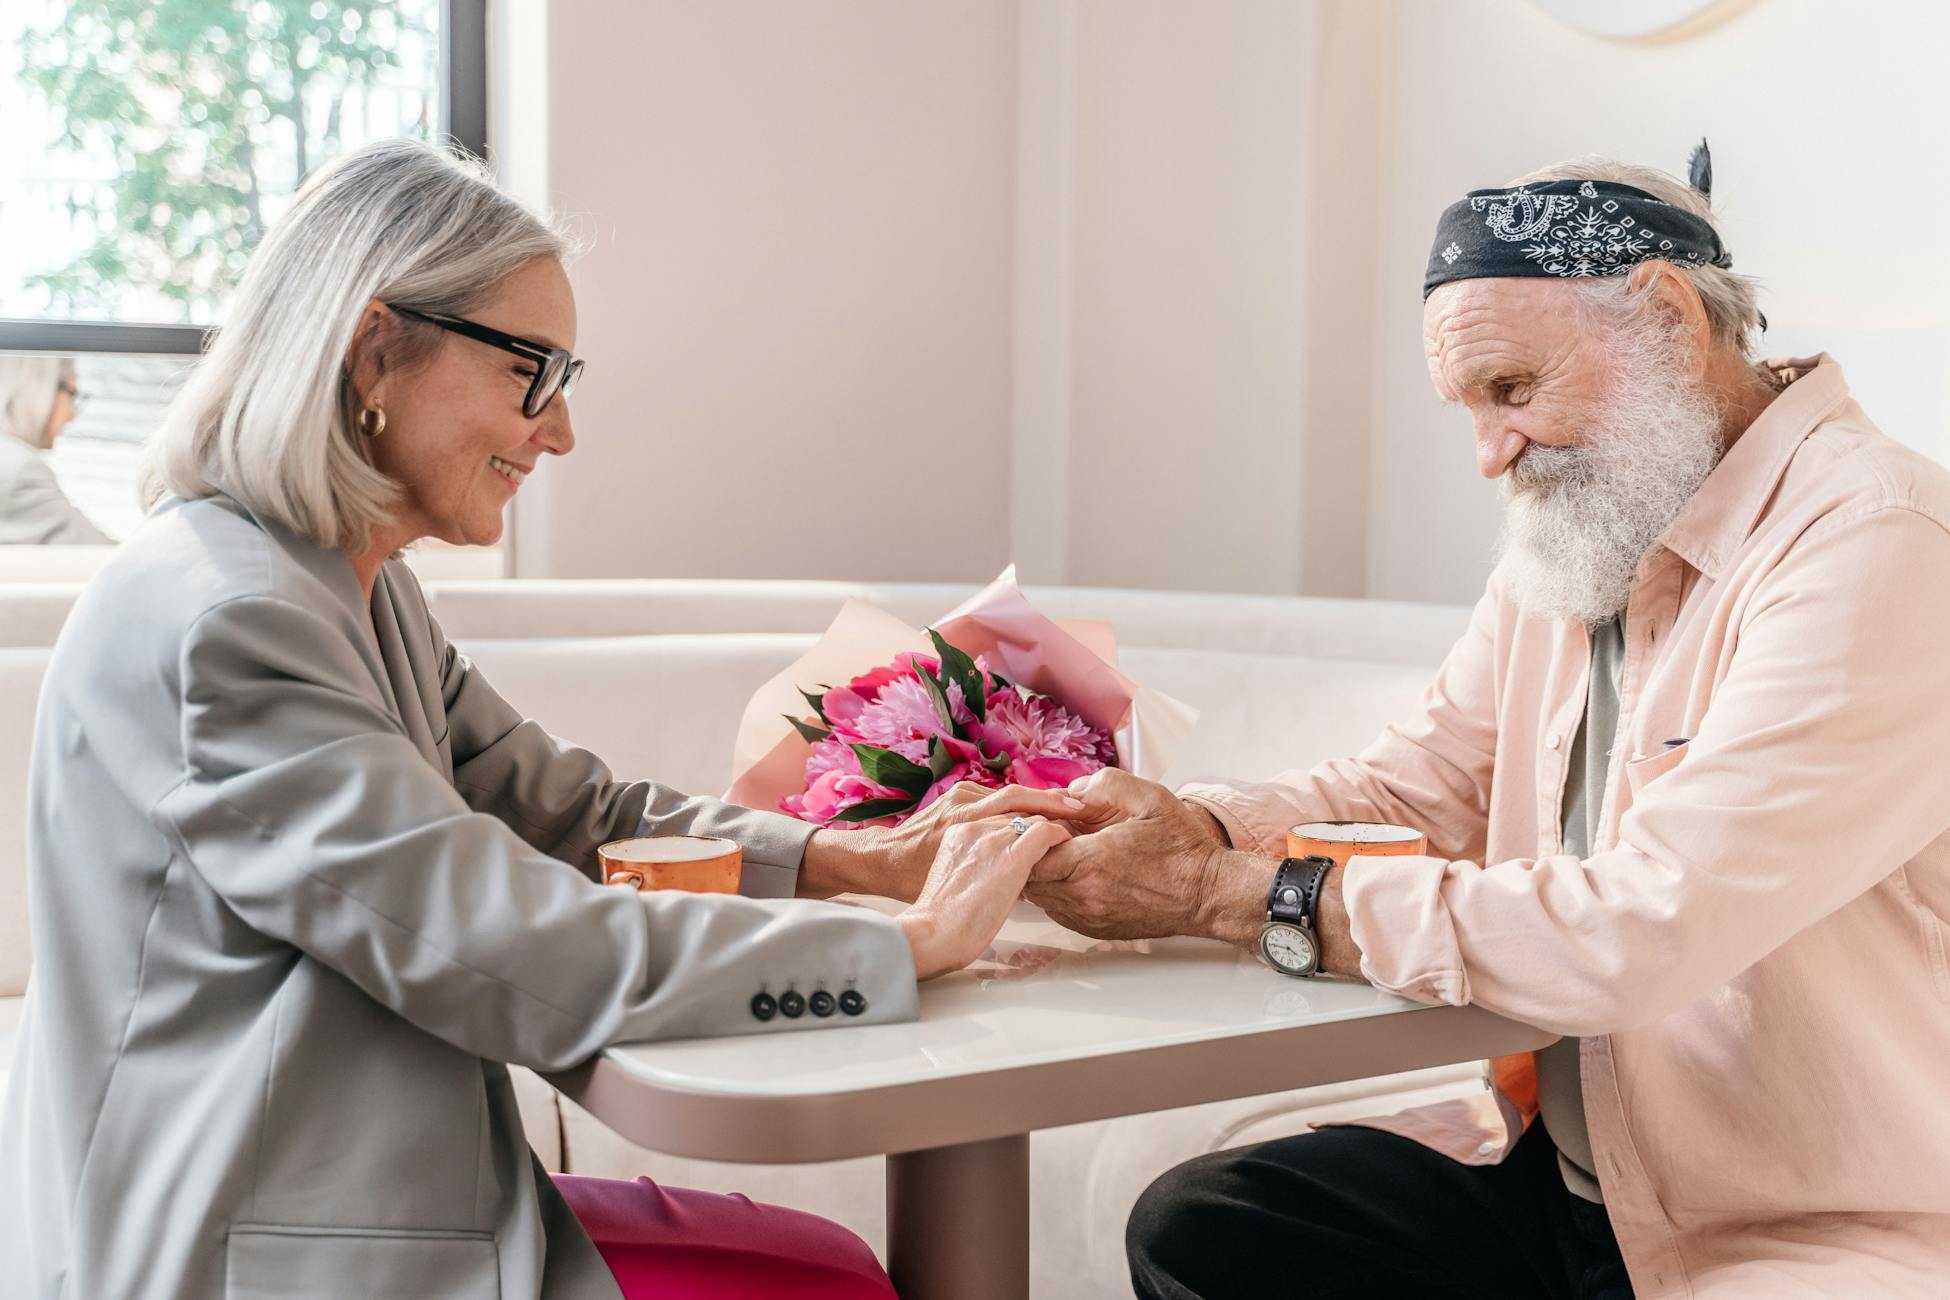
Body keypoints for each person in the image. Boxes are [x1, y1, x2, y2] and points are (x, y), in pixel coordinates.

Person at [0, 138, 1079, 1300]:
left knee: (834, 1271)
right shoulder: (232, 620)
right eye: (533, 374)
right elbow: (499, 938)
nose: (558, 433)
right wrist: (904, 946)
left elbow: (570, 809)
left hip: (357, 1207)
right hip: (248, 1256)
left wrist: (857, 861)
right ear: (374, 349)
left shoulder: (341, 583)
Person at [1030, 146, 1950, 1297]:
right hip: (1572, 1183)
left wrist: (1225, 894)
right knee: (1207, 1227)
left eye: (1511, 390)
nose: (1487, 453)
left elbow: (1641, 928)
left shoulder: (1879, 544)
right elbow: (1411, 792)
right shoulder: (1587, 532)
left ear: (1669, 319)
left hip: (1808, 1228)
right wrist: (1179, 829)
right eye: (1470, 407)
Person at [0, 354, 113, 544]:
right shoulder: (18, 469)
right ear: (41, 387)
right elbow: (99, 556)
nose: (71, 415)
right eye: (73, 394)